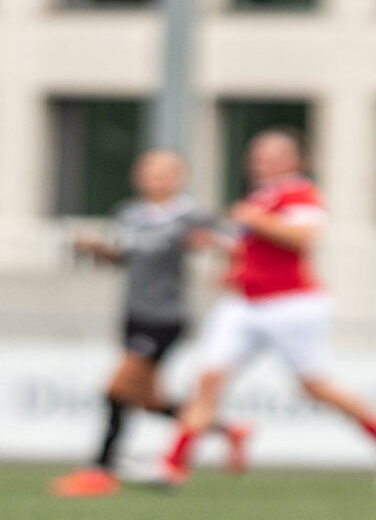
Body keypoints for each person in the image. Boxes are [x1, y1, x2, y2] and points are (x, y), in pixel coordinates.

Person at [156, 129, 376, 498]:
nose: (264, 161)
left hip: (291, 304)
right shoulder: (261, 198)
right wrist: (222, 249)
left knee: (315, 386)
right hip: (245, 303)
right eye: (259, 154)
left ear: (298, 161)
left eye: (275, 154)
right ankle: (173, 465)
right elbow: (253, 250)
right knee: (209, 380)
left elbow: (303, 238)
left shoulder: (300, 193)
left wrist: (253, 219)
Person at [51, 150, 249, 498]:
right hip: (133, 314)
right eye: (148, 170)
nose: (154, 177)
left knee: (115, 390)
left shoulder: (188, 217)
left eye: (164, 171)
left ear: (179, 177)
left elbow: (231, 246)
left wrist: (217, 251)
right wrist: (97, 249)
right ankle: (227, 429)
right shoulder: (129, 214)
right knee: (147, 400)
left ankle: (101, 469)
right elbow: (126, 259)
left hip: (164, 318)